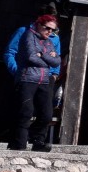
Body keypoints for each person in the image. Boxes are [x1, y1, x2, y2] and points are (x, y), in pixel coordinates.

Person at [6, 14, 60, 151]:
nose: (50, 32)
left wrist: (44, 57)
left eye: (53, 29)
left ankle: (37, 140)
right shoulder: (27, 34)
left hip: (45, 80)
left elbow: (57, 61)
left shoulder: (51, 40)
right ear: (39, 24)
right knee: (25, 111)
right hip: (27, 77)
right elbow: (29, 57)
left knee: (46, 113)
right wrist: (16, 71)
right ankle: (18, 143)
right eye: (47, 28)